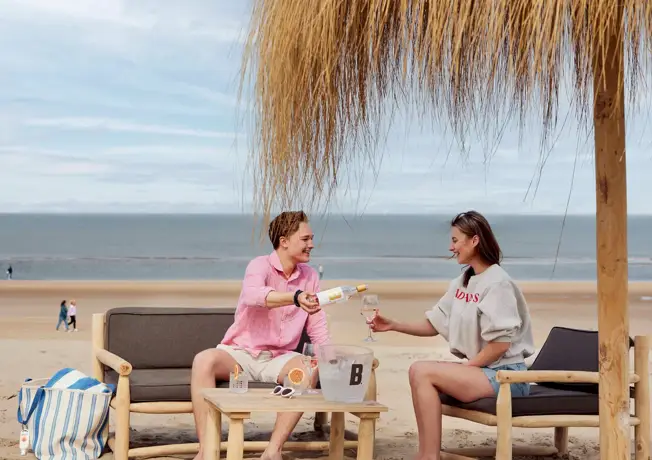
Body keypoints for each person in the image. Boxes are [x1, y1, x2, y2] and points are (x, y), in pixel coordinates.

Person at [370, 210, 535, 460]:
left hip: (508, 378)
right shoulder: (463, 282)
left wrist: (468, 367)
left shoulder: (497, 283)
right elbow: (435, 323)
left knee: (422, 371)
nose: (451, 247)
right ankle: (428, 454)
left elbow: (501, 344)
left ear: (475, 240)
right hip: (485, 372)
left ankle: (429, 456)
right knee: (418, 371)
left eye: (456, 240)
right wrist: (393, 325)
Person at [190, 211, 330, 460]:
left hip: (279, 358)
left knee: (307, 370)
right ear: (284, 241)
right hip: (240, 355)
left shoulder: (310, 276)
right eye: (305, 239)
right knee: (203, 360)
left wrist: (328, 359)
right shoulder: (259, 265)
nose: (311, 244)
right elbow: (253, 296)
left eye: (311, 238)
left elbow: (317, 324)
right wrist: (295, 297)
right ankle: (206, 451)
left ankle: (273, 451)